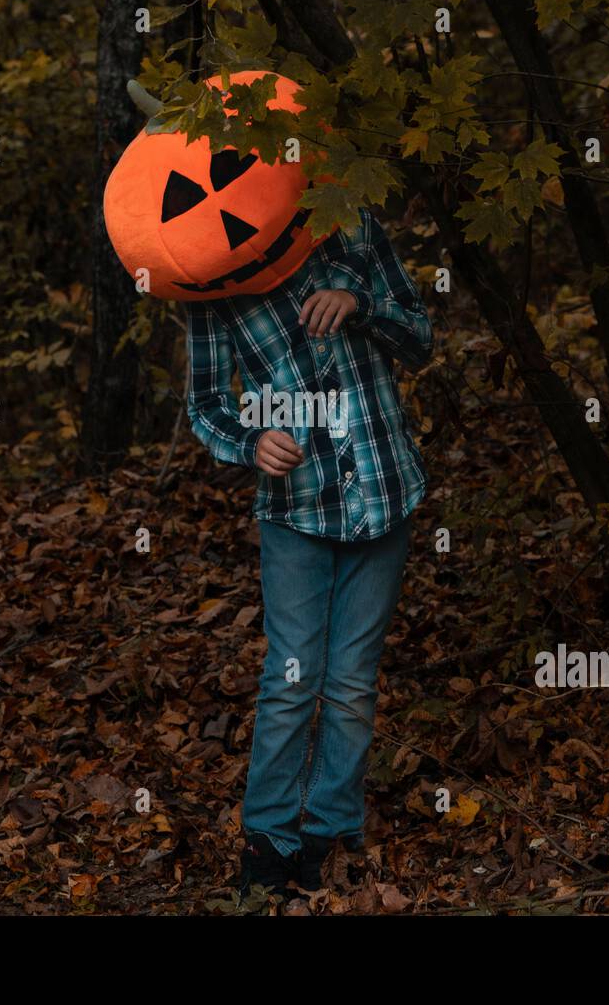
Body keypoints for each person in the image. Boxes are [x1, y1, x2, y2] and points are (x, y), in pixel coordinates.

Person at [184, 207, 433, 897]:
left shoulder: (346, 226)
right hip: (296, 507)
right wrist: (247, 442)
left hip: (382, 491)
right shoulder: (208, 278)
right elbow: (205, 404)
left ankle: (330, 835)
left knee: (352, 679)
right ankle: (267, 848)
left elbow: (420, 338)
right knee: (292, 678)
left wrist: (360, 304)